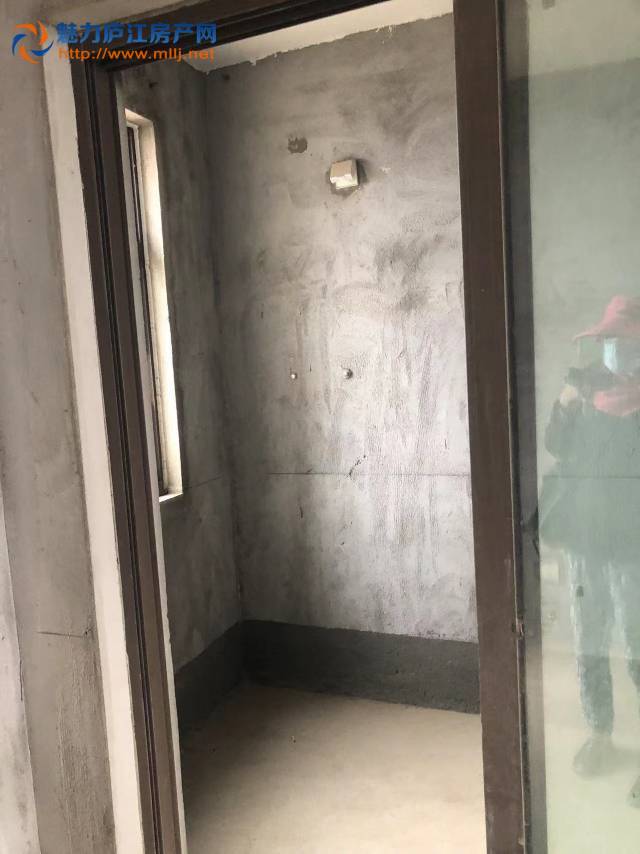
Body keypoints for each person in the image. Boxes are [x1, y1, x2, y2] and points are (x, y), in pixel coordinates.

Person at [541, 295, 640, 806]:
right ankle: (600, 734)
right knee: (589, 646)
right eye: (608, 340)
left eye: (625, 340)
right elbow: (556, 445)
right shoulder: (584, 391)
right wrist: (565, 401)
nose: (615, 349)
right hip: (585, 543)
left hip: (634, 550)